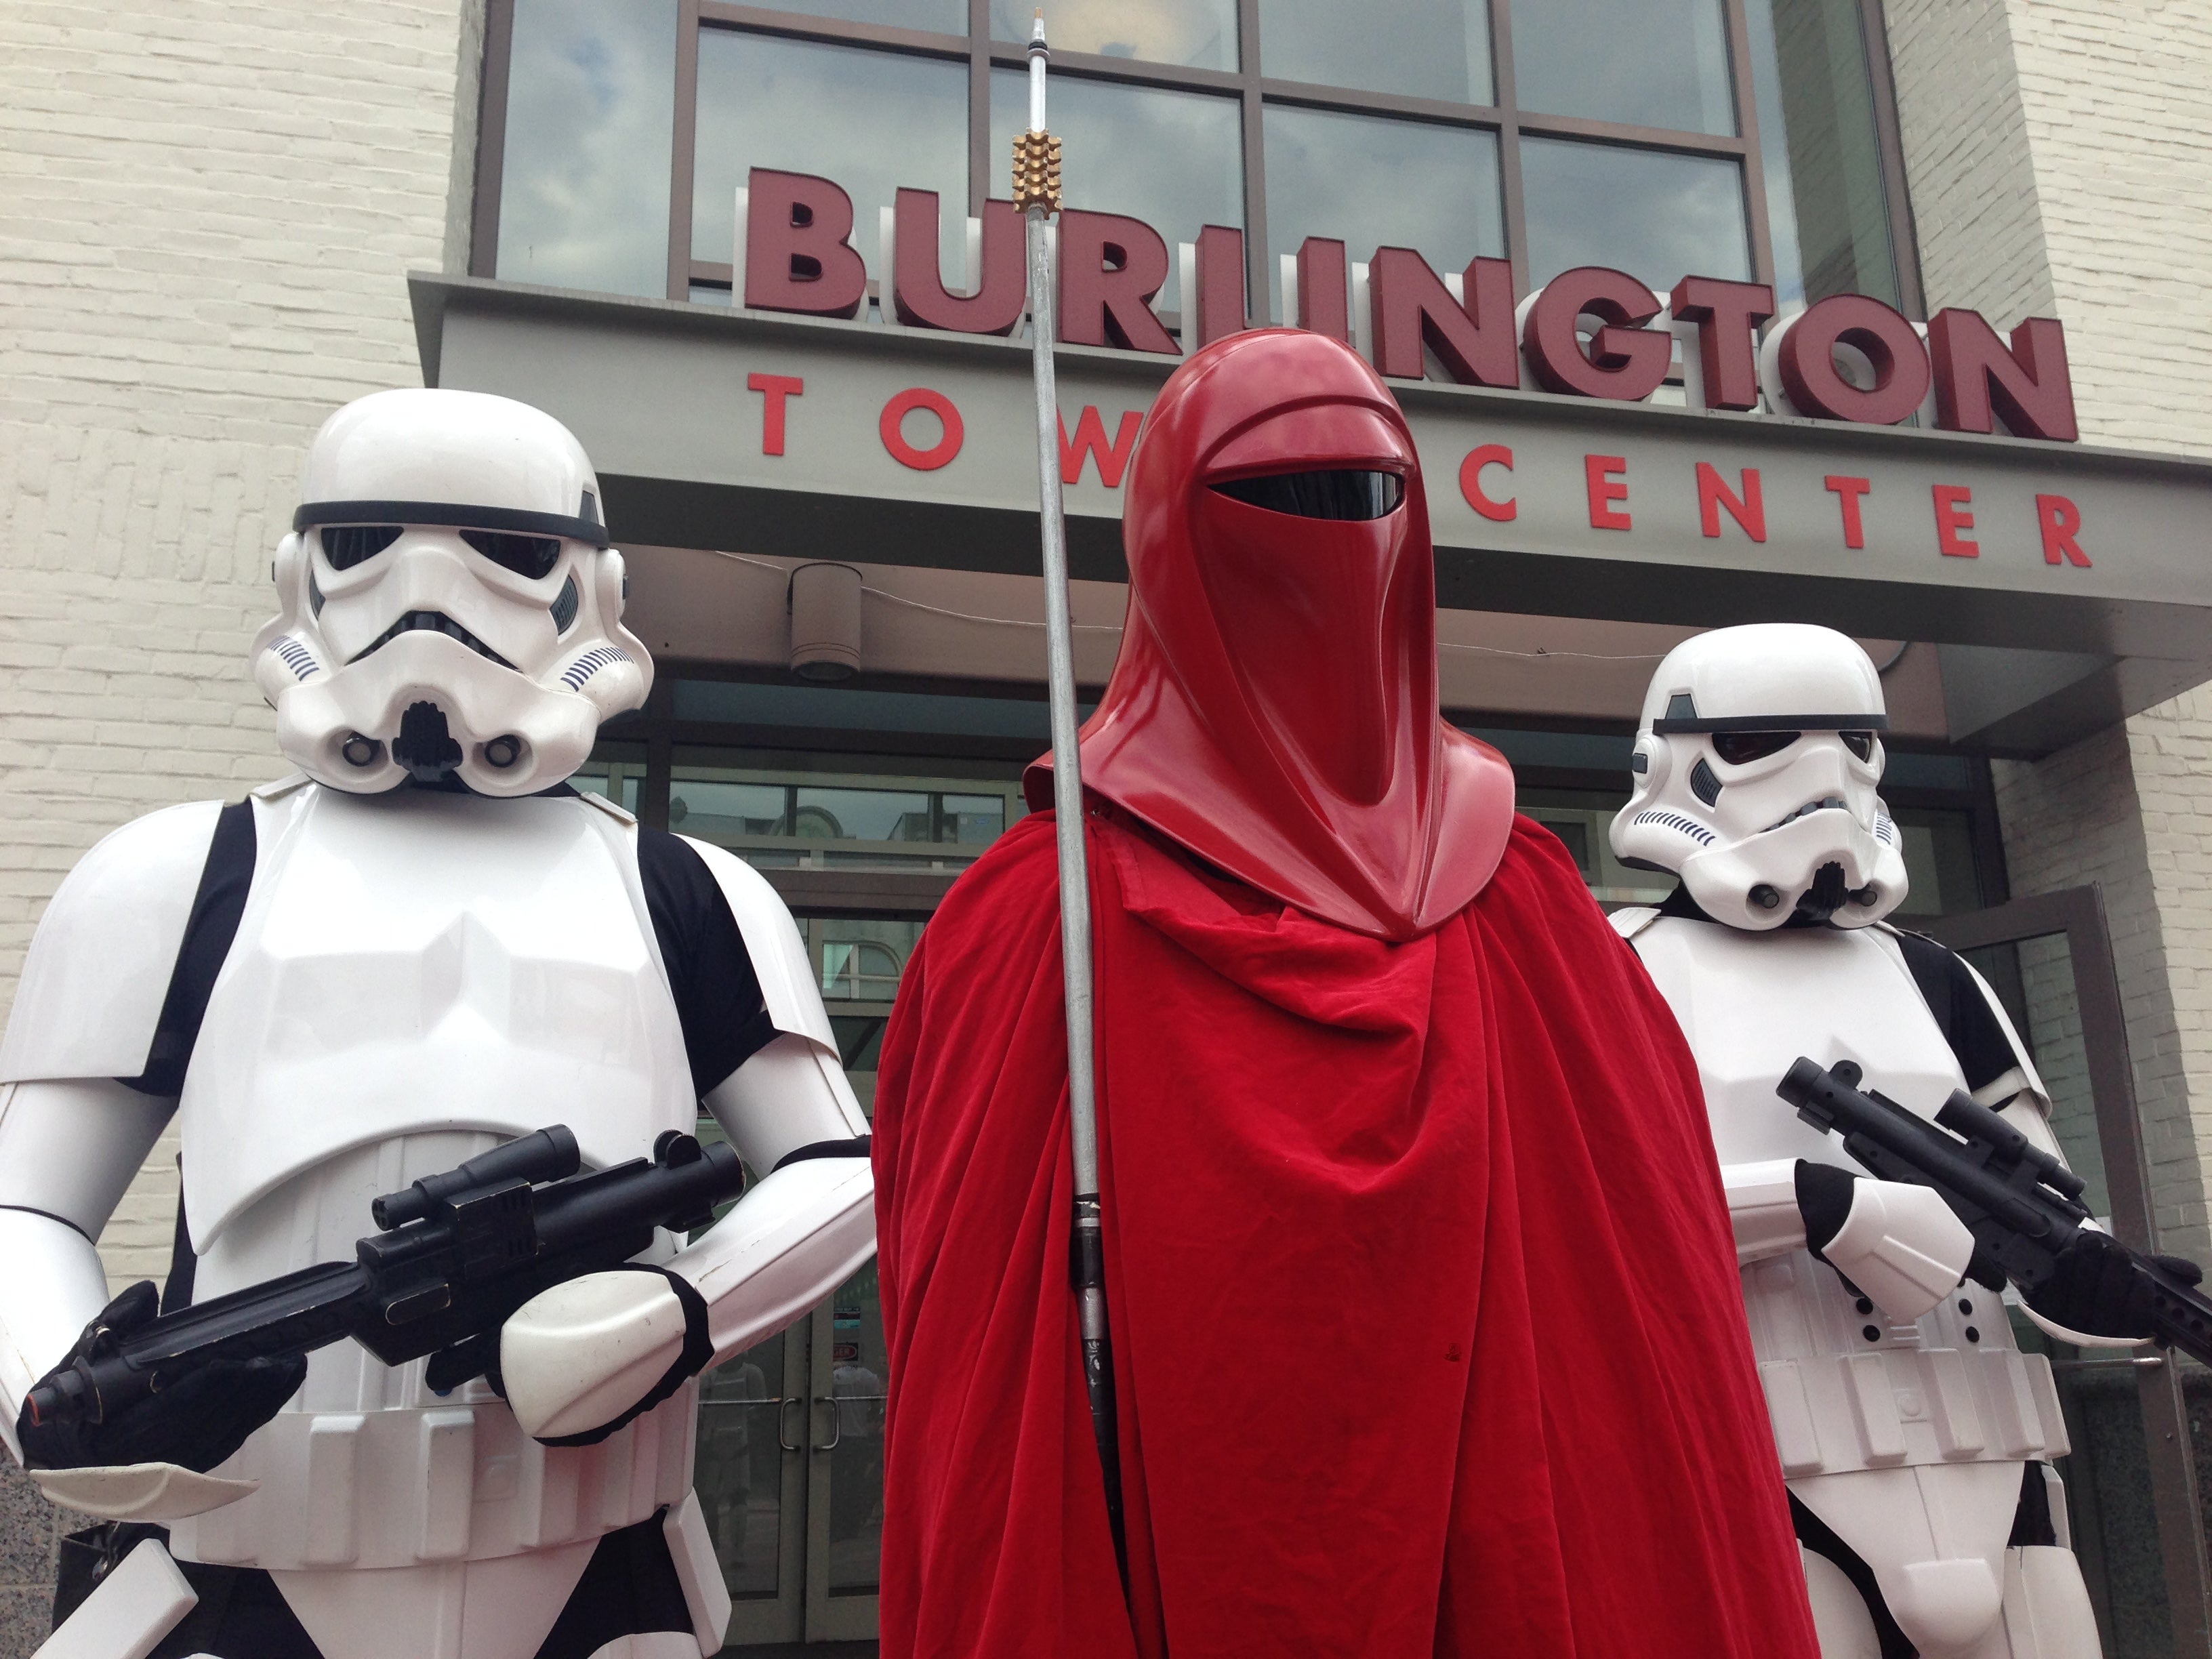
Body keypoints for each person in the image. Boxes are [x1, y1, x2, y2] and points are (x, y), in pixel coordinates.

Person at [868, 329, 1822, 1659]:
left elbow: (1644, 1314)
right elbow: (984, 1381)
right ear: (1165, 540)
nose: (1332, 540)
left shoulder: (1522, 893)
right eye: (1278, 500)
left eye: (1364, 496)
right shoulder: (1042, 917)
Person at [0, 388, 877, 1659]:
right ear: (302, 573)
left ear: (591, 589)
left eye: (509, 557)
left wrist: (683, 1312)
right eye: (367, 548)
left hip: (599, 1564)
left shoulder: (685, 888)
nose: (433, 604)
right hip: (239, 1576)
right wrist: (59, 1394)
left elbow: (838, 1172)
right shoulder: (178, 876)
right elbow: (29, 1208)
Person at [1609, 623, 2106, 1658]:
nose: (1823, 777)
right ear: (1672, 759)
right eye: (1770, 741)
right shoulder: (1614, 969)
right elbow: (1587, 1215)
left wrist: (2089, 1280)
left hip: (1991, 1451)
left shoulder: (1932, 976)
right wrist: (1819, 1204)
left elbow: (2043, 1200)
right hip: (1752, 1456)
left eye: (1853, 742)